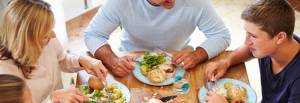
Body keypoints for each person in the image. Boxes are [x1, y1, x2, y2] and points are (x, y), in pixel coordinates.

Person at [204, 0, 300, 103]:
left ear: (280, 37)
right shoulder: (277, 46)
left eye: (253, 36)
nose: (247, 41)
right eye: (247, 33)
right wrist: (226, 62)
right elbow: (248, 50)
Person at [0, 0, 107, 103]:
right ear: (26, 40)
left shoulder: (47, 40)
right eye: (45, 35)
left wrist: (82, 60)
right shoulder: (4, 75)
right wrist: (52, 100)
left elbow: (62, 60)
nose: (53, 35)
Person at [84, 0, 231, 77]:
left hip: (178, 57)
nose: (172, 1)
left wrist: (197, 55)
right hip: (131, 60)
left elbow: (221, 35)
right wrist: (113, 61)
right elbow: (93, 34)